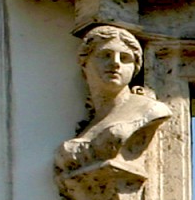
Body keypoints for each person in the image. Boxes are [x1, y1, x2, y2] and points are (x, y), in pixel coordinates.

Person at [55, 24, 171, 178]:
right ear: (85, 63)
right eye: (105, 55)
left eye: (124, 58)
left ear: (135, 68)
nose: (115, 63)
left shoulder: (150, 110)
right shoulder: (89, 126)